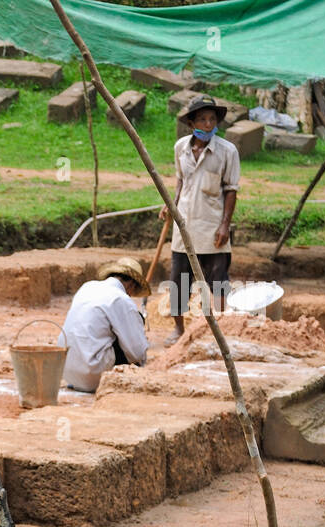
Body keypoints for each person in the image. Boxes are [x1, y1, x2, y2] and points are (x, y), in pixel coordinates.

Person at [163, 94, 240, 343]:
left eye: (212, 119)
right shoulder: (180, 148)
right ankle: (178, 330)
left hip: (212, 225)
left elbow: (231, 189)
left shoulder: (227, 151)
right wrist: (171, 206)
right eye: (203, 119)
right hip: (184, 224)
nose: (208, 124)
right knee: (179, 280)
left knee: (217, 279)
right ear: (191, 123)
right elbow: (181, 182)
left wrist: (225, 225)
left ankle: (219, 330)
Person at [59, 257, 151, 393]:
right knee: (129, 341)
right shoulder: (121, 299)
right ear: (131, 285)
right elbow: (137, 352)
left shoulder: (87, 286)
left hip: (66, 371)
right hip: (94, 376)